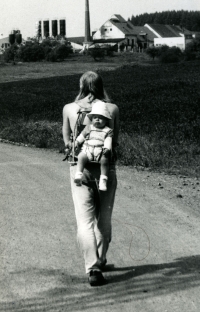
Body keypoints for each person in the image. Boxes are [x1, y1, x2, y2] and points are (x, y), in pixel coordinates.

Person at [62, 71, 119, 286]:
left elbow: (67, 140)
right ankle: (102, 259)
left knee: (84, 221)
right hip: (106, 169)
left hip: (80, 167)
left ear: (80, 86)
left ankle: (93, 269)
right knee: (104, 219)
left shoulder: (69, 108)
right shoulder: (112, 109)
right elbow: (116, 139)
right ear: (101, 85)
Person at [74, 101, 113, 191]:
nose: (97, 120)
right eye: (95, 117)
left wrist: (107, 148)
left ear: (106, 120)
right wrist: (76, 143)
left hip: (100, 151)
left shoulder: (107, 130)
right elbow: (82, 136)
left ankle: (103, 180)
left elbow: (108, 140)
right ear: (91, 119)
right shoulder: (89, 127)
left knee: (105, 160)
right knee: (81, 157)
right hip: (88, 149)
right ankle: (79, 175)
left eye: (101, 118)